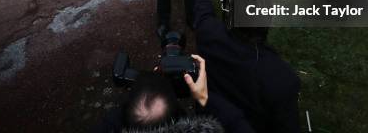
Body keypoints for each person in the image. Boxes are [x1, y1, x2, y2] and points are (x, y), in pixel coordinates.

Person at [187, 0, 301, 133]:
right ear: (269, 20)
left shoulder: (209, 33)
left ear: (231, 14)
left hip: (207, 123)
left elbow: (203, 8)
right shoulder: (282, 78)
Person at [93, 55, 253, 133]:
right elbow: (238, 125)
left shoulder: (114, 121)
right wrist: (204, 99)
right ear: (180, 115)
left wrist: (129, 104)